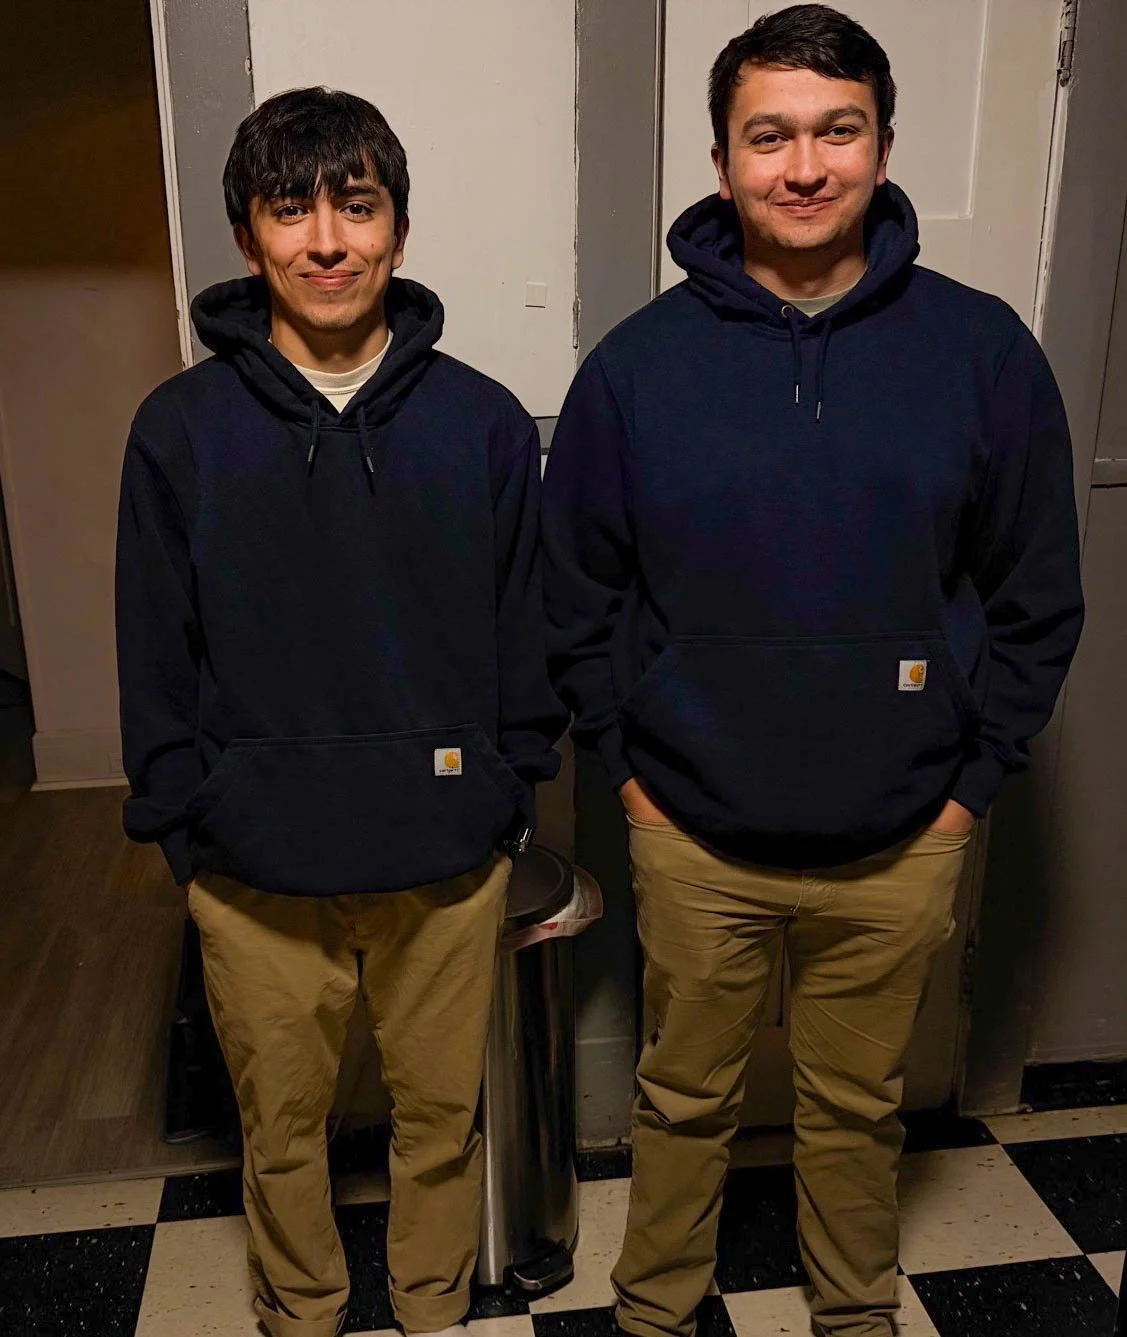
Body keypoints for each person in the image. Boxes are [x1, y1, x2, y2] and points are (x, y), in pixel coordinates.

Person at [542, 7, 1083, 1336]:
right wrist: (635, 784)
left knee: (853, 1108)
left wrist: (965, 785)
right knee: (681, 1099)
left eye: (833, 131)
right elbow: (577, 600)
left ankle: (854, 1314)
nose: (801, 166)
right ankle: (654, 1311)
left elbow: (1033, 598)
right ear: (722, 160)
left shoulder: (979, 355)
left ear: (879, 147)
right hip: (691, 832)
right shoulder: (636, 368)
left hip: (901, 834)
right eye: (766, 135)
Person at [116, 87, 564, 1337]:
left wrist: (504, 786)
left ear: (398, 231)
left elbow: (521, 621)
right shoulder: (181, 432)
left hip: (442, 855)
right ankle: (301, 1313)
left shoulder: (477, 422)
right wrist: (184, 822)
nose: (327, 239)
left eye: (355, 206)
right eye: (291, 208)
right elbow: (152, 645)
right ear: (252, 237)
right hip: (254, 868)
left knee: (439, 1122)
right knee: (282, 1132)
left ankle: (430, 1306)